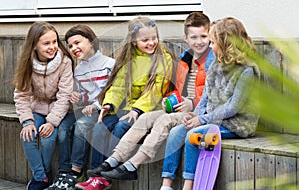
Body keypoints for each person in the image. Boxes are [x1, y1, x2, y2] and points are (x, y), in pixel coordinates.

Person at [86, 12, 215, 181]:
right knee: (143, 119)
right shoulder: (186, 58)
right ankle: (113, 160)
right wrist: (169, 100)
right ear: (186, 38)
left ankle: (131, 165)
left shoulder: (213, 61)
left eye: (203, 36)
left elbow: (209, 95)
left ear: (211, 36)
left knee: (158, 121)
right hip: (177, 108)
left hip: (200, 113)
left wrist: (190, 103)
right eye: (194, 37)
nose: (199, 42)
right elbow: (177, 89)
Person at [160, 17, 261, 190]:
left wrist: (202, 120)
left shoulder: (247, 71)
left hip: (236, 124)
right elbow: (206, 96)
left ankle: (188, 185)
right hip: (212, 119)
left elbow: (233, 107)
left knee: (194, 135)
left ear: (226, 44)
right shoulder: (215, 65)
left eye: (213, 42)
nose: (210, 46)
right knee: (176, 132)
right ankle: (166, 184)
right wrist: (195, 115)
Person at [74, 16, 173, 189]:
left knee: (120, 127)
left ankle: (106, 178)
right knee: (101, 126)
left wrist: (137, 110)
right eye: (145, 40)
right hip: (127, 107)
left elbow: (155, 92)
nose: (151, 43)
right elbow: (118, 87)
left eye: (154, 38)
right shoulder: (128, 59)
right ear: (134, 41)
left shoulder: (163, 59)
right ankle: (95, 174)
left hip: (148, 110)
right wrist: (108, 105)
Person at [47, 25, 116, 190]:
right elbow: (85, 98)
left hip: (105, 109)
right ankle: (63, 172)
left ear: (91, 41)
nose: (74, 48)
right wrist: (78, 98)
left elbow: (116, 92)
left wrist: (96, 105)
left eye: (77, 42)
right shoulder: (79, 70)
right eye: (70, 46)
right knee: (63, 126)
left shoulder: (109, 64)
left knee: (81, 126)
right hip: (88, 109)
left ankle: (76, 172)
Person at [12, 21, 74, 190]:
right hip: (37, 107)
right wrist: (27, 121)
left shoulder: (65, 62)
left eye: (54, 42)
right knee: (28, 136)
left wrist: (52, 122)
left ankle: (45, 172)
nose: (52, 46)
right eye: (46, 43)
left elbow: (64, 96)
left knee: (48, 138)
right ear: (34, 45)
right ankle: (41, 177)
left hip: (58, 109)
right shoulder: (27, 63)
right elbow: (21, 95)